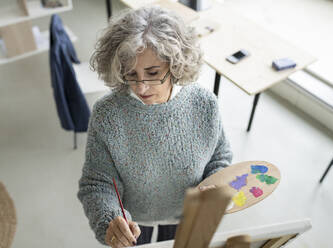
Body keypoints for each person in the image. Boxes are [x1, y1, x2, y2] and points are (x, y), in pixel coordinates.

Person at [77, 6, 232, 248]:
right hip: (134, 227)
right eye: (131, 73)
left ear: (175, 64)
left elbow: (219, 157)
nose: (141, 87)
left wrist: (213, 187)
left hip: (189, 219)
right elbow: (98, 182)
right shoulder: (107, 114)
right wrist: (110, 220)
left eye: (152, 73)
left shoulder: (204, 104)